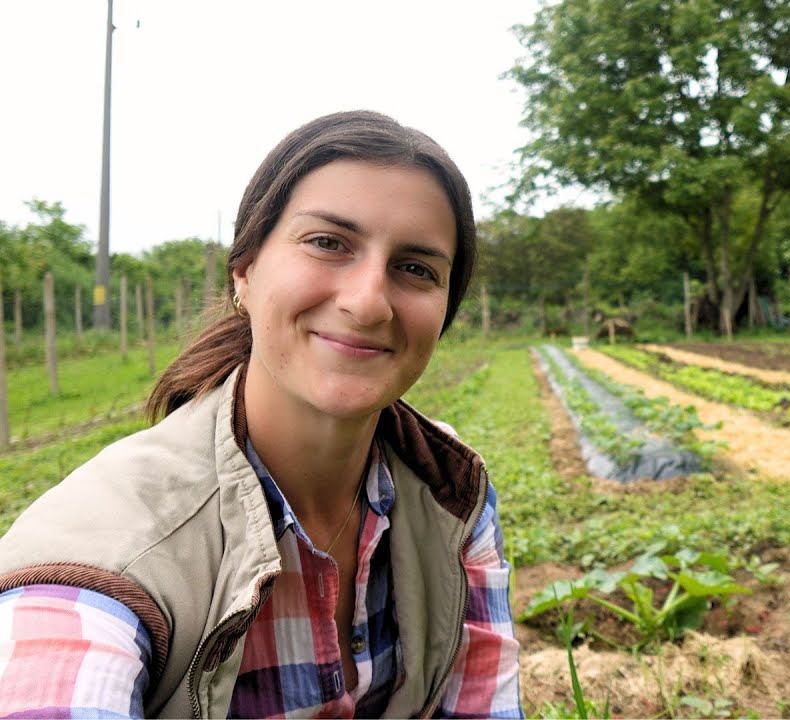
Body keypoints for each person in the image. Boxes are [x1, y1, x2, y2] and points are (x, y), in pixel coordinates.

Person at [0, 111, 522, 718]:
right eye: (328, 243)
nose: (369, 301)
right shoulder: (101, 551)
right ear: (244, 270)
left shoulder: (449, 490)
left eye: (415, 268)